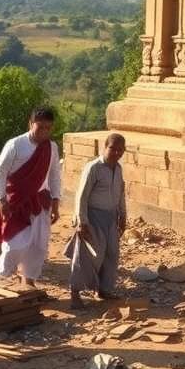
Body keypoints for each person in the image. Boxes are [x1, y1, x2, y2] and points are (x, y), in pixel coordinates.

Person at [0, 106, 61, 286]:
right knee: (14, 245)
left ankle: (29, 283)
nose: (44, 131)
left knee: (38, 246)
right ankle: (0, 281)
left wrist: (56, 202)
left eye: (48, 128)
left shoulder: (51, 147)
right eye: (40, 126)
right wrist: (1, 199)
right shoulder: (15, 144)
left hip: (41, 201)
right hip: (16, 202)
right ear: (31, 123)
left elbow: (54, 175)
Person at [68, 132, 127, 309]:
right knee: (87, 256)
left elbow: (121, 193)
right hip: (92, 217)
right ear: (105, 147)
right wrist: (81, 221)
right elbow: (82, 195)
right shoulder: (94, 167)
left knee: (111, 254)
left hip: (110, 217)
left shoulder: (118, 169)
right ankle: (75, 293)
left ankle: (103, 290)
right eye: (112, 149)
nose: (116, 153)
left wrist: (123, 215)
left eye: (120, 150)